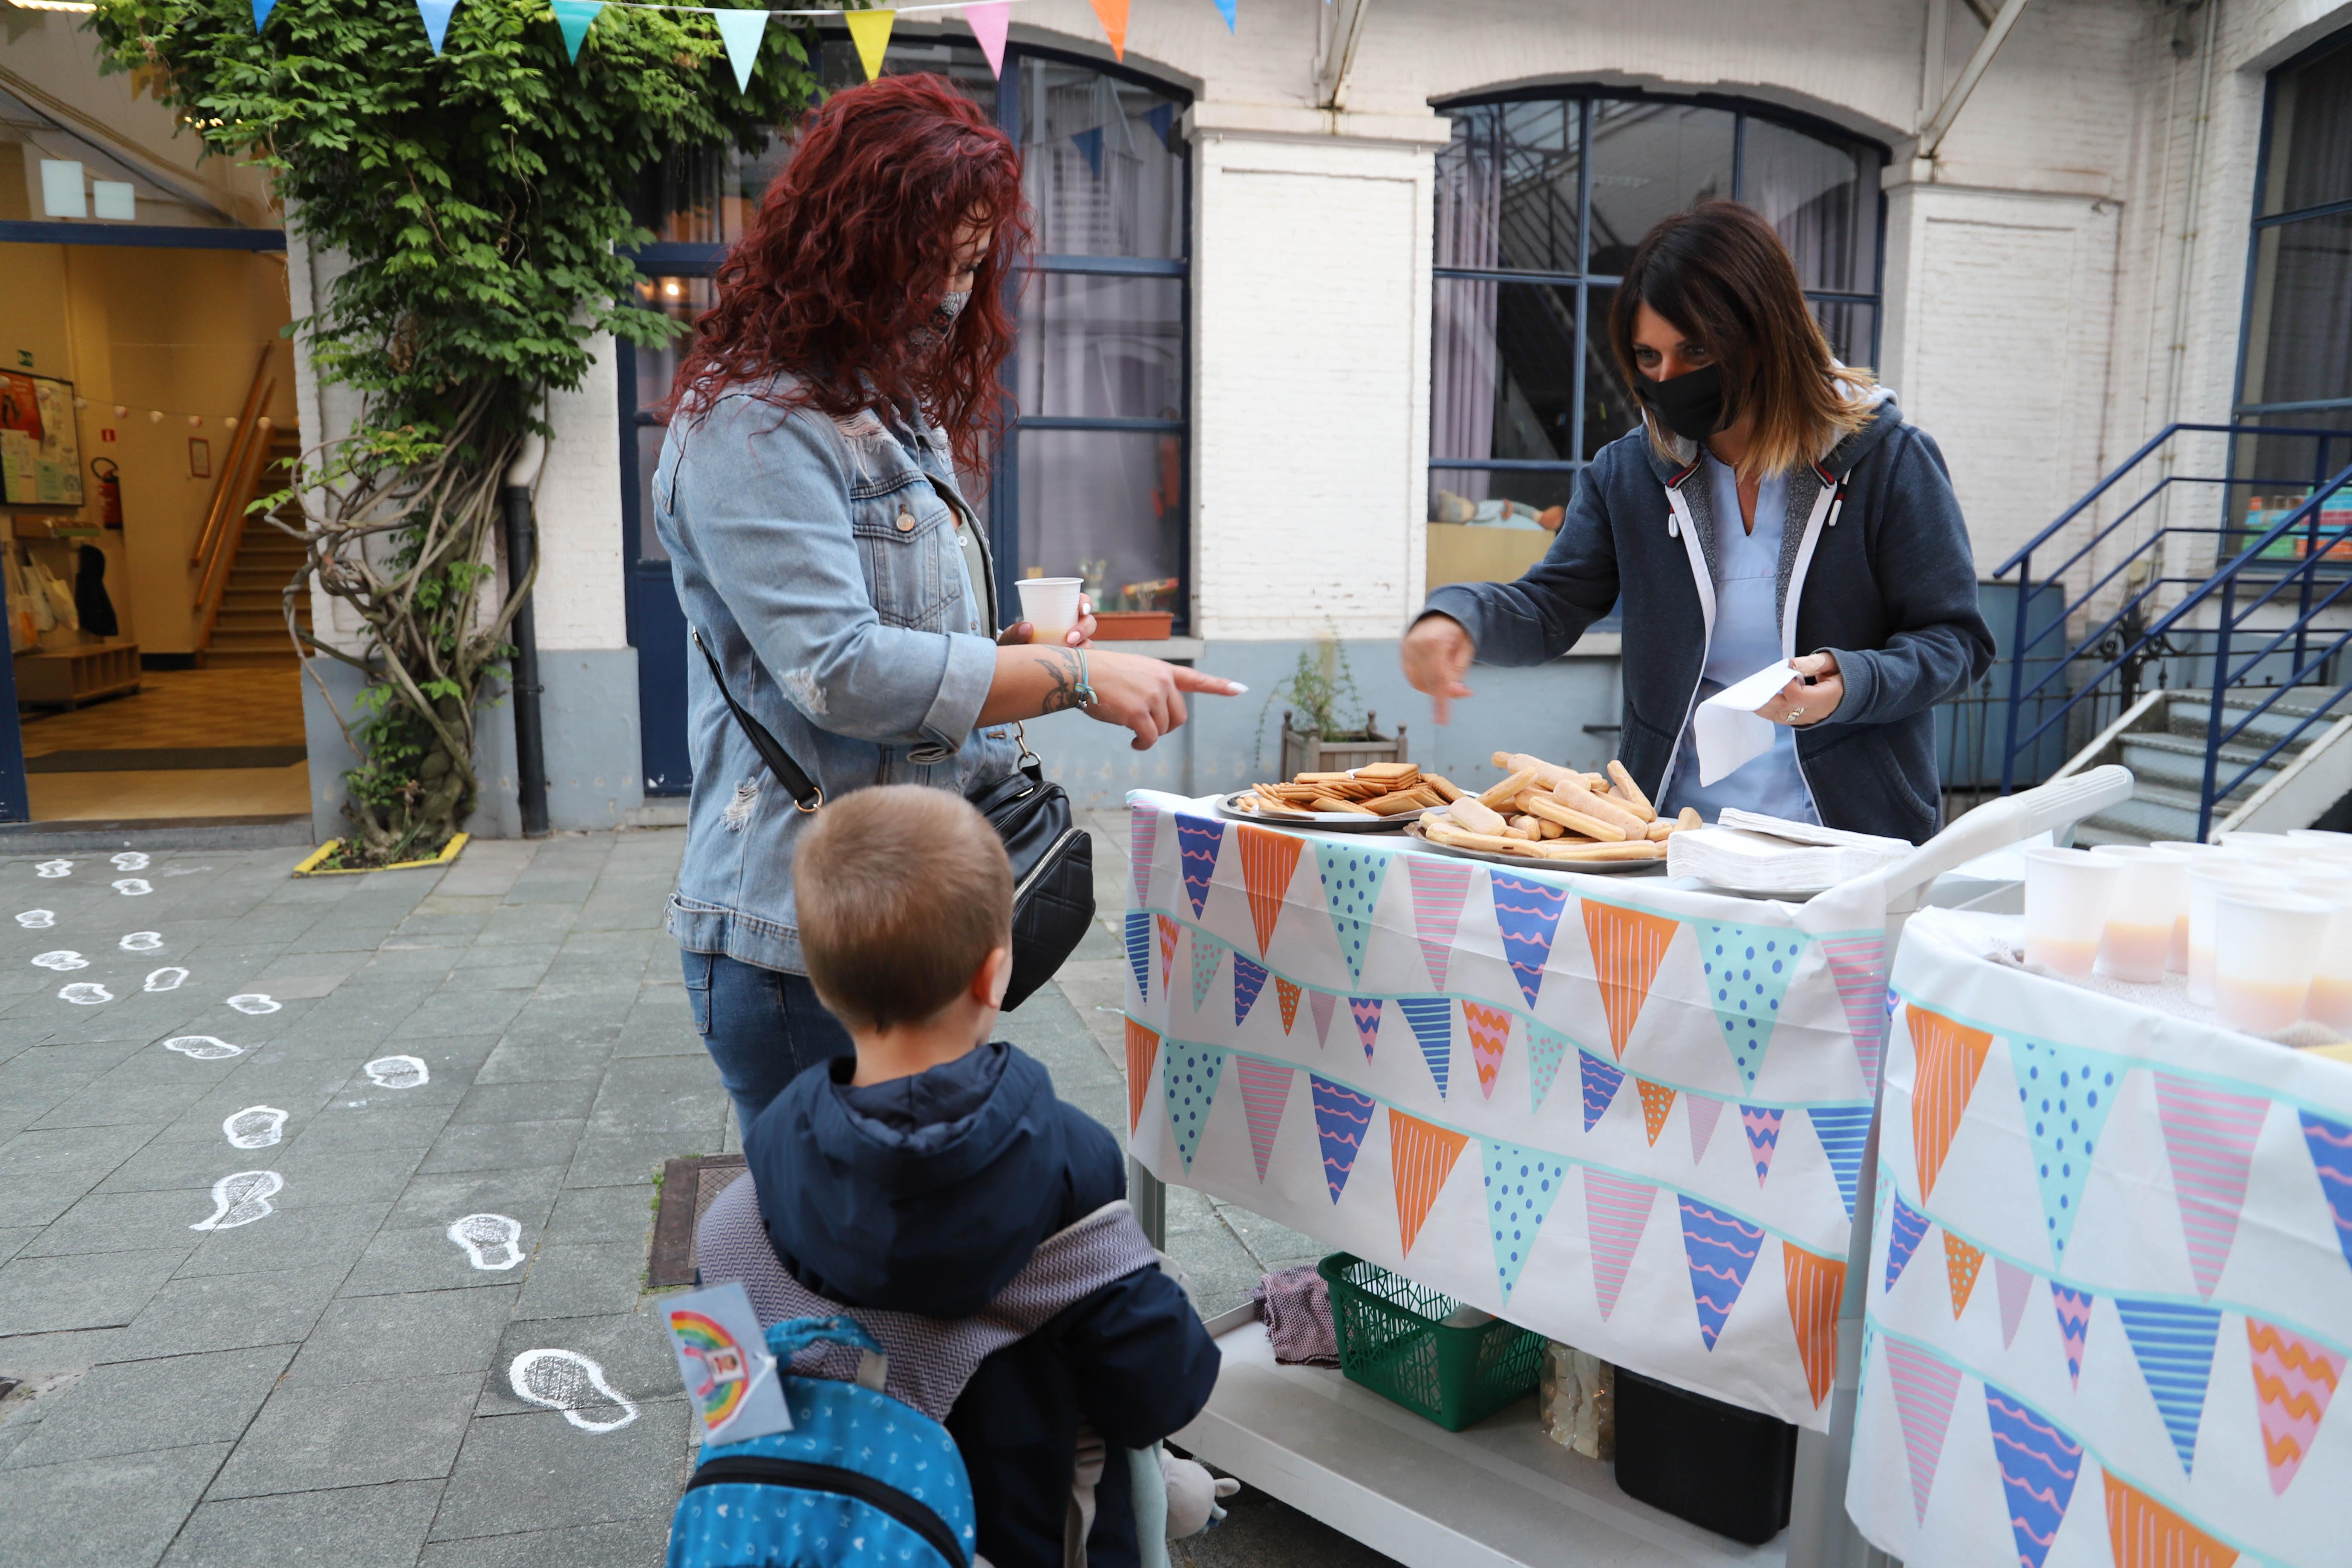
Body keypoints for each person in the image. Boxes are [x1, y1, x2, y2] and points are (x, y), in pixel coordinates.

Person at [657, 75, 1240, 1127]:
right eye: (929, 266)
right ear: (846, 245)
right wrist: (1068, 677)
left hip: (906, 915)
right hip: (803, 940)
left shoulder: (891, 410)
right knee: (825, 1266)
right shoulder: (752, 425)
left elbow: (905, 652)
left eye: (971, 268)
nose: (950, 298)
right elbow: (840, 672)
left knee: (899, 1259)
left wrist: (1010, 653)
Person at [731, 786, 1223, 1566]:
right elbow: (1163, 1386)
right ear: (996, 975)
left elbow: (733, 1413)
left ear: (821, 983)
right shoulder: (1075, 1168)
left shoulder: (739, 1210)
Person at [1401, 201, 1993, 844]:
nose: (1668, 379)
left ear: (1766, 335)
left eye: (1695, 351)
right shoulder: (1628, 474)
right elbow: (1550, 605)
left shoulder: (1892, 462)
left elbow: (1956, 642)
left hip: (1848, 839)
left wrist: (1856, 681)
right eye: (1647, 358)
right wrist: (1458, 616)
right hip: (1672, 837)